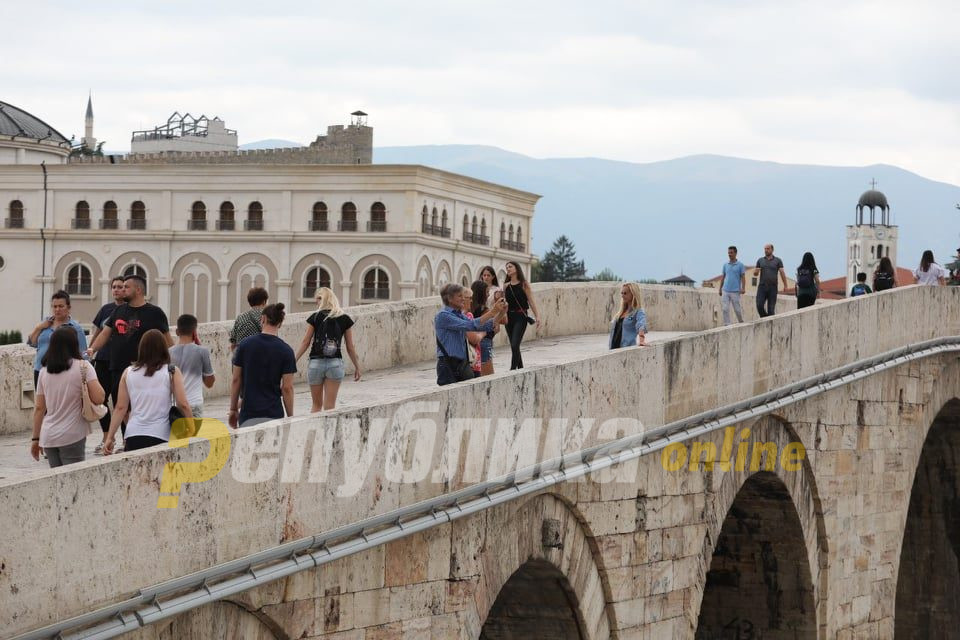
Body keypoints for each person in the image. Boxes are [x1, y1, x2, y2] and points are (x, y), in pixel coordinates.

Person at [86, 274, 172, 445]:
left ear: (138, 290)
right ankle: (128, 440)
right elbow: (105, 333)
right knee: (122, 407)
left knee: (139, 407)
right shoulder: (118, 311)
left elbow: (167, 340)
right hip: (118, 368)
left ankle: (140, 437)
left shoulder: (155, 313)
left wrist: (170, 363)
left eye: (126, 287)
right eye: (121, 287)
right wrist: (93, 348)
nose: (122, 290)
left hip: (145, 370)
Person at [103, 329, 192, 454]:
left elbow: (120, 408)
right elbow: (183, 404)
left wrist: (110, 437)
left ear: (141, 349)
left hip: (133, 434)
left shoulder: (128, 372)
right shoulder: (171, 371)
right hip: (161, 434)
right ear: (163, 348)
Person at [30, 328, 105, 468]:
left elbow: (39, 408)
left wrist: (35, 439)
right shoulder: (83, 367)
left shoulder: (44, 371)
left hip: (49, 436)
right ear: (74, 344)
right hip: (72, 434)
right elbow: (99, 398)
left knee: (57, 482)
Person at [294, 288, 361, 412]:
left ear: (323, 299)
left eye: (318, 298)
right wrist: (357, 366)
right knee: (330, 408)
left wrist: (294, 361)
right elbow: (350, 347)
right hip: (335, 364)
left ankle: (315, 431)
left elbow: (305, 342)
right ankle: (328, 432)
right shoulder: (344, 318)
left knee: (316, 405)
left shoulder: (315, 317)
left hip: (315, 364)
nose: (316, 302)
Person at [229, 303, 296, 427]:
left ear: (263, 319)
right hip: (274, 414)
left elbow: (236, 379)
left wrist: (233, 409)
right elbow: (287, 388)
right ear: (280, 324)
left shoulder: (245, 345)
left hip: (249, 414)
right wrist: (290, 416)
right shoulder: (286, 351)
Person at [435, 283, 505, 386]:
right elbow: (470, 325)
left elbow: (482, 326)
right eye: (460, 296)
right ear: (449, 298)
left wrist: (501, 313)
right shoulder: (443, 315)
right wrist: (492, 312)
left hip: (461, 363)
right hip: (448, 365)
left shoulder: (458, 314)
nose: (463, 299)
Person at [90, 276, 125, 451]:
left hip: (121, 362)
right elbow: (97, 332)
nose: (117, 290)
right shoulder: (106, 310)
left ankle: (127, 440)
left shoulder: (129, 310)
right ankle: (106, 438)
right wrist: (90, 351)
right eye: (114, 287)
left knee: (122, 401)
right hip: (102, 360)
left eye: (120, 287)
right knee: (100, 401)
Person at [27, 290, 89, 388]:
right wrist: (39, 327)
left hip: (62, 372)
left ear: (68, 308)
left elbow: (83, 353)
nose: (57, 309)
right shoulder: (46, 323)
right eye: (54, 306)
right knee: (41, 402)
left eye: (61, 306)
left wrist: (85, 375)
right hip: (40, 369)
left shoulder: (75, 328)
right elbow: (32, 343)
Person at [169, 314, 215, 418]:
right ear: (194, 332)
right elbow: (209, 383)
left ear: (177, 331)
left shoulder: (168, 353)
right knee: (193, 434)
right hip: (194, 404)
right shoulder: (202, 351)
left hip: (174, 406)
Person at [502, 261, 541, 370]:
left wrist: (538, 316)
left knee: (515, 344)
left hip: (521, 316)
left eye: (510, 266)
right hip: (509, 317)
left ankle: (512, 370)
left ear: (516, 268)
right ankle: (521, 368)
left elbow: (531, 301)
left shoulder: (524, 284)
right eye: (507, 267)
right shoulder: (506, 286)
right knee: (514, 347)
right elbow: (504, 303)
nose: (508, 269)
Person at [471, 280, 498, 376]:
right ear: (481, 294)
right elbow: (495, 327)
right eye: (486, 292)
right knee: (488, 380)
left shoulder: (469, 309)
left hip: (473, 348)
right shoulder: (485, 310)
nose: (488, 295)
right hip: (484, 345)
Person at [753, 244, 788, 317]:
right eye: (765, 249)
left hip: (773, 287)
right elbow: (755, 273)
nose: (766, 250)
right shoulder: (760, 260)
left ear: (772, 250)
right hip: (762, 287)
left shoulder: (778, 260)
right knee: (759, 305)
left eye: (768, 249)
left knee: (771, 310)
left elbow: (782, 273)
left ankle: (769, 324)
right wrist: (756, 272)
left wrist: (785, 285)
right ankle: (765, 318)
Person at [609, 282, 647, 349]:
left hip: (626, 349)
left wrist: (641, 340)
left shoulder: (638, 311)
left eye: (625, 293)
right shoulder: (620, 312)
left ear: (633, 294)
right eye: (622, 293)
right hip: (613, 349)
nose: (622, 295)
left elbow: (641, 325)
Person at [460, 286, 484, 377]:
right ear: (462, 299)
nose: (471, 301)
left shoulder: (453, 315)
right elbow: (474, 339)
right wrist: (482, 334)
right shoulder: (467, 316)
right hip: (471, 361)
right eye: (469, 298)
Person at [719, 246, 746, 325]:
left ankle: (741, 322)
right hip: (725, 290)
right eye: (728, 253)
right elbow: (723, 277)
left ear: (735, 253)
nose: (729, 254)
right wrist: (720, 289)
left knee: (737, 309)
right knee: (725, 309)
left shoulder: (740, 265)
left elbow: (743, 278)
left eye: (731, 253)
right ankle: (727, 324)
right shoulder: (725, 265)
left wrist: (743, 288)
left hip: (735, 291)